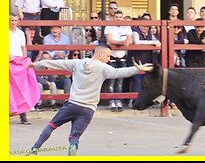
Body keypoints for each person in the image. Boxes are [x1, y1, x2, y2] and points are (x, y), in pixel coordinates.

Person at [25, 44, 153, 156]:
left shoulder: (77, 63)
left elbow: (55, 63)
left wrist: (36, 64)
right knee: (74, 136)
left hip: (72, 104)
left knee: (51, 126)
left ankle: (35, 149)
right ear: (100, 54)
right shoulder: (104, 68)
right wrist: (138, 69)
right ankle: (72, 147)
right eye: (108, 56)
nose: (108, 60)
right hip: (88, 109)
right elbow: (120, 72)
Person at [9, 14, 40, 125]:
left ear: (18, 21)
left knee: (21, 88)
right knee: (8, 89)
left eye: (15, 20)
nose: (13, 22)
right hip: (7, 61)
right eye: (11, 20)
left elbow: (23, 48)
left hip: (18, 62)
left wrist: (25, 59)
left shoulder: (20, 33)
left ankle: (23, 115)